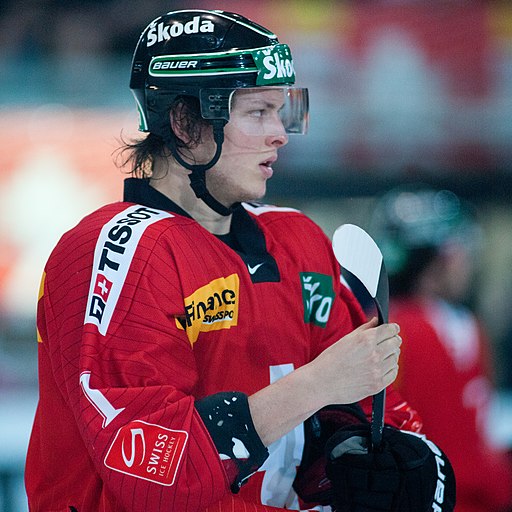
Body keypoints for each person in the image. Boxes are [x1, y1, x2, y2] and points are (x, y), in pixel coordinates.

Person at [25, 10, 455, 512]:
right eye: (258, 112)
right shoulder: (114, 251)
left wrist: (378, 455)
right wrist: (315, 385)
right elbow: (156, 477)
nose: (281, 133)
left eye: (285, 110)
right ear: (185, 122)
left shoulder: (298, 239)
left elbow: (363, 410)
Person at [369, 185, 512, 512]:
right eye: (461, 250)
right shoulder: (457, 326)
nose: (467, 263)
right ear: (437, 259)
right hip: (460, 498)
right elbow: (467, 449)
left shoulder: (369, 324)